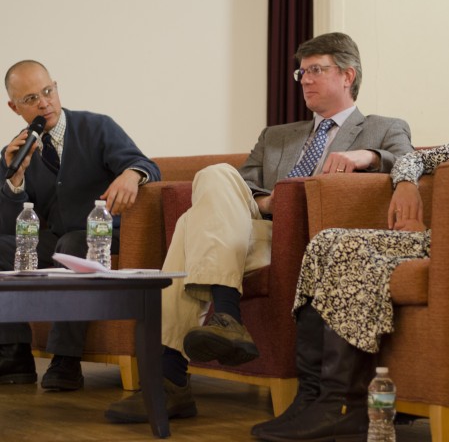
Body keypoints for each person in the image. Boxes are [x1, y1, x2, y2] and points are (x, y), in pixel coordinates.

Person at [104, 32, 413, 423]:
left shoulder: (384, 127)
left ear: (348, 75)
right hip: (251, 229)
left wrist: (367, 155)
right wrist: (271, 201)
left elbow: (409, 164)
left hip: (312, 241)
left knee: (190, 224)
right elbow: (240, 185)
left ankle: (172, 378)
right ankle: (224, 321)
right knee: (214, 178)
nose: (305, 79)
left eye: (316, 70)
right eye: (302, 72)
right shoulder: (277, 136)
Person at [250, 28, 449, 442]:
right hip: (432, 241)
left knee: (349, 250)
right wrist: (406, 183)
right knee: (326, 242)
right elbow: (415, 159)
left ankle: (343, 402)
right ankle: (315, 395)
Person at [0, 60, 161, 390]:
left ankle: (65, 359)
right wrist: (14, 180)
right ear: (14, 107)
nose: (44, 102)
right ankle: (14, 352)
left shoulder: (96, 127)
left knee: (74, 244)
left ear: (56, 88)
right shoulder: (15, 153)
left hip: (101, 237)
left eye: (48, 91)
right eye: (31, 99)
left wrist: (132, 174)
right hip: (57, 239)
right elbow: (11, 227)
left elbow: (146, 165)